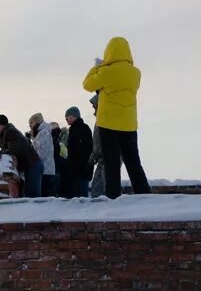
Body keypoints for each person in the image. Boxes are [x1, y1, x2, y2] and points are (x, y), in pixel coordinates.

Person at [82, 37, 150, 198]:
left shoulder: (106, 72)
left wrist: (97, 67)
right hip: (129, 125)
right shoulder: (136, 73)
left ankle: (113, 197)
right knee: (133, 163)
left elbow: (87, 85)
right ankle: (145, 194)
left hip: (108, 124)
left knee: (111, 165)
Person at [63, 106, 94, 198]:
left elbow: (84, 150)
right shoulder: (76, 129)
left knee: (81, 199)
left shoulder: (81, 129)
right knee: (78, 197)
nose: (66, 119)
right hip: (78, 169)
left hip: (81, 170)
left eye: (67, 116)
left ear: (74, 116)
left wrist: (77, 165)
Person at [28, 113, 57, 197]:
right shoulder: (42, 133)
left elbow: (41, 153)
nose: (30, 126)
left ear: (37, 122)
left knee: (46, 199)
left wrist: (30, 158)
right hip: (46, 170)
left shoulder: (43, 133)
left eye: (31, 123)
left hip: (45, 171)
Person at [88, 94, 105, 197]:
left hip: (106, 158)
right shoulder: (99, 119)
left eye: (94, 103)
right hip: (101, 159)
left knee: (104, 187)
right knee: (97, 188)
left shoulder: (104, 119)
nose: (92, 106)